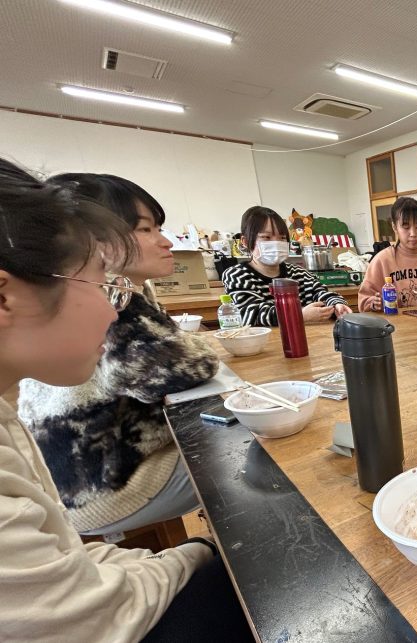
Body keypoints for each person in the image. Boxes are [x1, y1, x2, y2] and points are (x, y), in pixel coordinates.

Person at [0, 158, 249, 641]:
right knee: (243, 459)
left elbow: (63, 557)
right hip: (102, 489)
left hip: (80, 498)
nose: (111, 311)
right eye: (100, 283)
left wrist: (175, 558)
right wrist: (200, 551)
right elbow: (85, 618)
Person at [18, 174, 218, 536]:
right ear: (94, 240)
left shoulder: (114, 292)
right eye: (145, 229)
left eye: (159, 228)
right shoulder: (108, 298)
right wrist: (199, 347)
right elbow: (184, 366)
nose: (166, 241)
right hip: (97, 488)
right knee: (254, 453)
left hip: (76, 478)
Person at [221, 206, 352, 326]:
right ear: (245, 241)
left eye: (282, 238)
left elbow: (322, 293)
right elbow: (251, 315)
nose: (276, 243)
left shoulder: (299, 273)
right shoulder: (237, 275)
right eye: (266, 237)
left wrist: (337, 304)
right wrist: (298, 315)